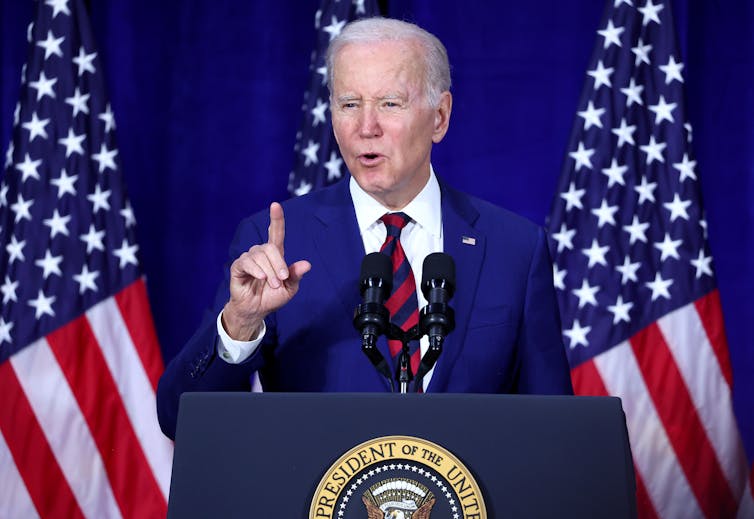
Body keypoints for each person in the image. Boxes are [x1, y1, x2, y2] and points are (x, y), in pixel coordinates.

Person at [156, 17, 573, 440]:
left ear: (440, 117)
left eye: (390, 103)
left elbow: (556, 435)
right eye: (349, 104)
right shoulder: (274, 244)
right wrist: (241, 323)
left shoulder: (513, 249)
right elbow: (181, 420)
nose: (365, 127)